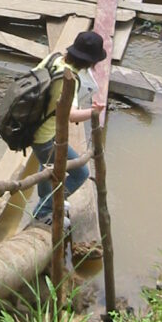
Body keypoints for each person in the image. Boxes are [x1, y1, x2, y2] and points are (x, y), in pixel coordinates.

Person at [30, 30, 107, 225]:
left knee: (46, 164)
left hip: (32, 126)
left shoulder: (53, 59)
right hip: (44, 137)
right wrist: (94, 111)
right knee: (81, 173)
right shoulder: (69, 79)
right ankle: (45, 209)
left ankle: (47, 200)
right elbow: (71, 115)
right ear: (90, 62)